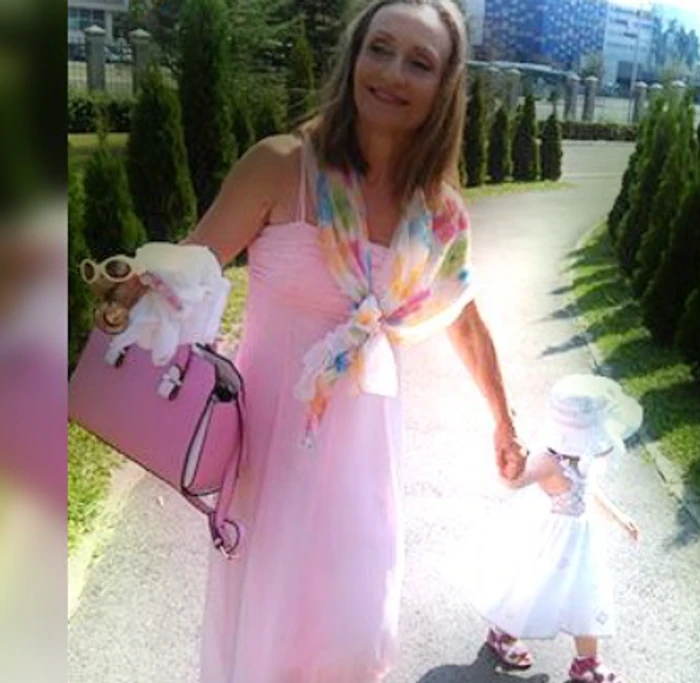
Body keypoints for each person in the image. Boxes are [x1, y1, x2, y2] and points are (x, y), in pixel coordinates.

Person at [84, 0, 526, 680]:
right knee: (267, 640)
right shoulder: (281, 166)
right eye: (380, 48)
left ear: (444, 86)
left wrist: (503, 417)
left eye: (419, 62)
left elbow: (463, 318)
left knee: (353, 641)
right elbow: (193, 266)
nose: (393, 73)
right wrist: (131, 293)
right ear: (354, 56)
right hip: (266, 462)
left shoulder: (438, 215)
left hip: (365, 474)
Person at [457, 374, 642, 683]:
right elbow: (514, 482)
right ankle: (503, 635)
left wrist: (618, 516)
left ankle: (586, 663)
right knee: (532, 588)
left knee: (586, 594)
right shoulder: (548, 460)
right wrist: (509, 461)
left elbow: (588, 491)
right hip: (554, 541)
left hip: (581, 541)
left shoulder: (582, 456)